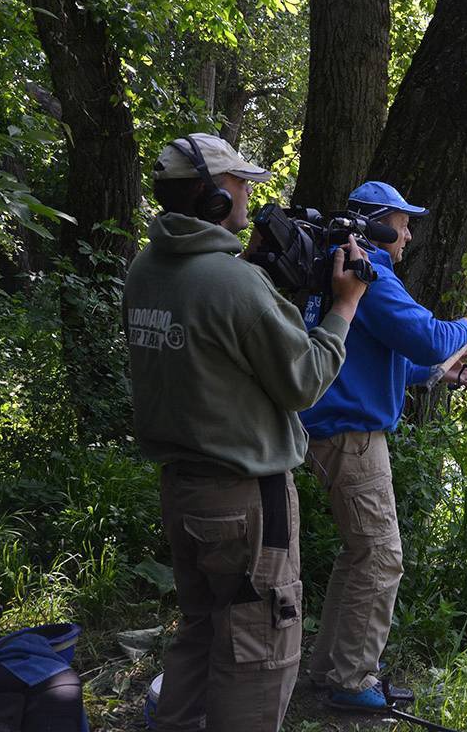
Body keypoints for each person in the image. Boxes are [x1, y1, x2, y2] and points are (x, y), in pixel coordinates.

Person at [122, 133, 369, 732]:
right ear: (210, 197)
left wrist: (256, 271)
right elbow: (304, 380)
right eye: (239, 183)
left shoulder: (148, 269)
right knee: (260, 649)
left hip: (184, 490)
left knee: (204, 627)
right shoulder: (232, 285)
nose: (249, 193)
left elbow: (218, 341)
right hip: (243, 498)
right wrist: (346, 304)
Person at [300, 180, 467, 712]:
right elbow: (430, 335)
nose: (408, 235)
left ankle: (330, 670)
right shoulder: (374, 276)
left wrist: (442, 374)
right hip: (353, 436)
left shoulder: (342, 271)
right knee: (381, 557)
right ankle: (352, 682)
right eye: (404, 224)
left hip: (335, 429)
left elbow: (385, 358)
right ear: (381, 226)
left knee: (361, 554)